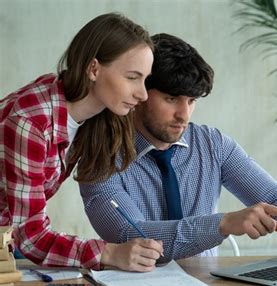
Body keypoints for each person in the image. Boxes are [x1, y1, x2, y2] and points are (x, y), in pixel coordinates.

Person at [80, 33, 277, 270]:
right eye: (172, 99)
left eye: (192, 101)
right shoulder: (100, 154)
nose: (184, 115)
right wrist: (221, 224)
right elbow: (129, 233)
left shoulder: (212, 145)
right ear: (141, 92)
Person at [0, 13, 164, 271]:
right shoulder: (31, 123)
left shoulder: (91, 115)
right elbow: (30, 237)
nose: (142, 94)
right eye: (132, 77)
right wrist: (109, 253)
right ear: (94, 69)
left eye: (145, 80)